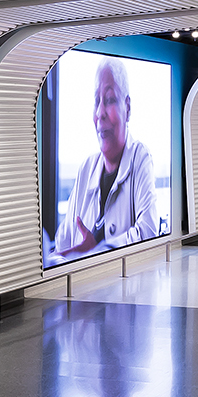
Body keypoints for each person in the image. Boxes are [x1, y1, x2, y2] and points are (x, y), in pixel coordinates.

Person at [50, 58, 159, 261]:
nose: (100, 113)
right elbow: (61, 245)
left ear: (127, 108)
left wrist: (96, 251)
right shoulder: (86, 168)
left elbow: (148, 232)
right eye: (96, 102)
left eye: (109, 100)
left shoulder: (140, 157)